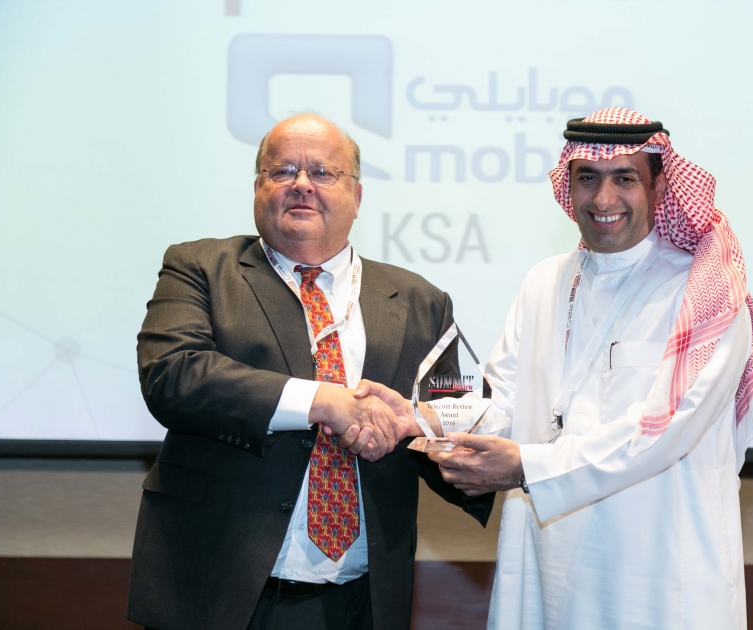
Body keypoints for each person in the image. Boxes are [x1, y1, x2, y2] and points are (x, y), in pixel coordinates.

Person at [127, 114, 493, 630]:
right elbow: (173, 375)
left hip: (364, 600)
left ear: (357, 196)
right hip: (219, 591)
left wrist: (458, 453)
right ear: (258, 187)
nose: (302, 184)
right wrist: (324, 402)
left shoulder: (420, 301)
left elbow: (455, 415)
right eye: (283, 171)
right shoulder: (202, 268)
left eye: (323, 172)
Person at [428, 107, 753, 629]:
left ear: (660, 186)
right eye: (587, 178)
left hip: (658, 575)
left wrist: (525, 467)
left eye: (624, 179)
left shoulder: (706, 296)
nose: (603, 199)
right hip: (548, 562)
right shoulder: (544, 282)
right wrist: (423, 418)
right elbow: (505, 404)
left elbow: (662, 433)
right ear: (568, 187)